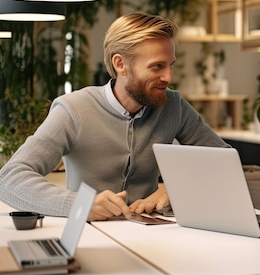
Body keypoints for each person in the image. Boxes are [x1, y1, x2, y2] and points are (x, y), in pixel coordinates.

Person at [0, 12, 229, 222]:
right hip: (89, 232)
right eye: (157, 66)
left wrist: (176, 187)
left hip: (156, 233)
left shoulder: (174, 106)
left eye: (170, 66)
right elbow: (9, 179)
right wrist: (80, 205)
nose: (168, 76)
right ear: (120, 64)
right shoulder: (73, 109)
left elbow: (226, 163)